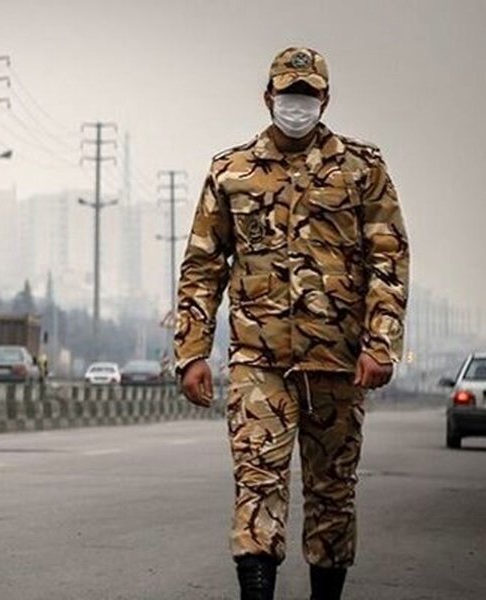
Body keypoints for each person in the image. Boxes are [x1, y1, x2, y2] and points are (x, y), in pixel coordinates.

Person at [175, 47, 409, 600]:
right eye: (288, 95)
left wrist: (380, 343)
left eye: (307, 95)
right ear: (268, 97)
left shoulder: (362, 170)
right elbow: (203, 265)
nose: (297, 105)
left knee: (332, 496)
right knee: (257, 485)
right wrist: (191, 352)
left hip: (338, 363)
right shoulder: (231, 172)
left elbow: (388, 258)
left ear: (325, 99)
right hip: (259, 365)